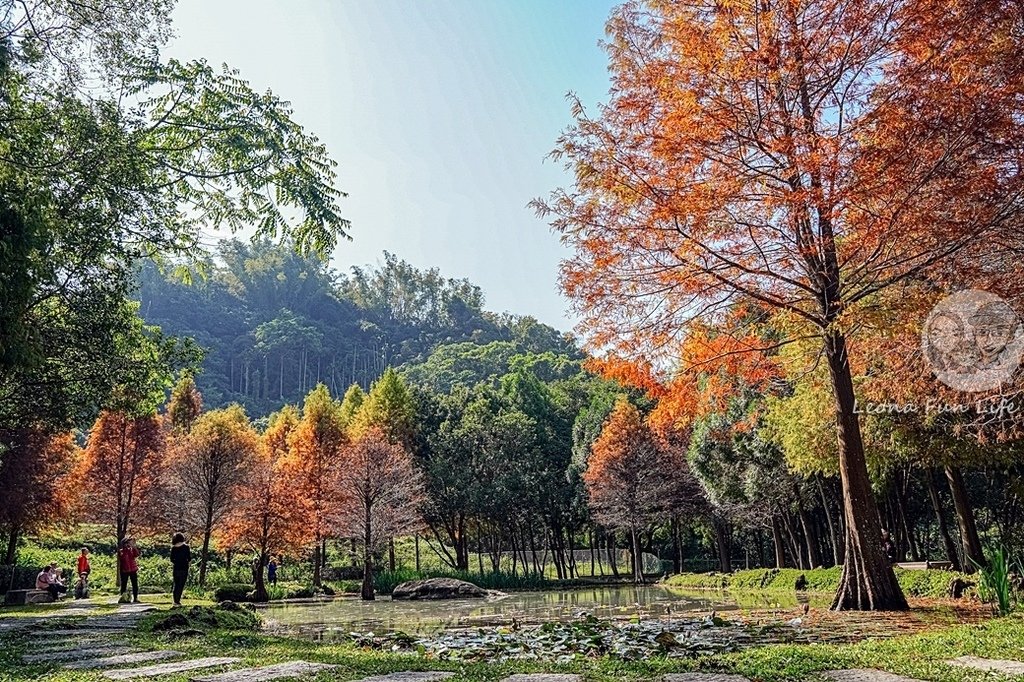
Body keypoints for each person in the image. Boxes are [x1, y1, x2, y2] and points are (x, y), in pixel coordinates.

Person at [169, 533, 191, 607]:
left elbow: (171, 559)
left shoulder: (174, 548)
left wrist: (176, 562)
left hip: (176, 568)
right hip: (184, 568)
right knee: (181, 585)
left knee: (176, 584)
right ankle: (177, 601)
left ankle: (175, 601)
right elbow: (189, 558)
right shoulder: (186, 547)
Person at [118, 537, 141, 603]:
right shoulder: (121, 551)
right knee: (124, 584)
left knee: (135, 584)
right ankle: (122, 598)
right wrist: (126, 549)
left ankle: (136, 598)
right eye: (128, 542)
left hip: (133, 569)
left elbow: (137, 554)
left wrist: (134, 547)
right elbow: (122, 558)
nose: (130, 544)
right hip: (124, 570)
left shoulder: (132, 549)